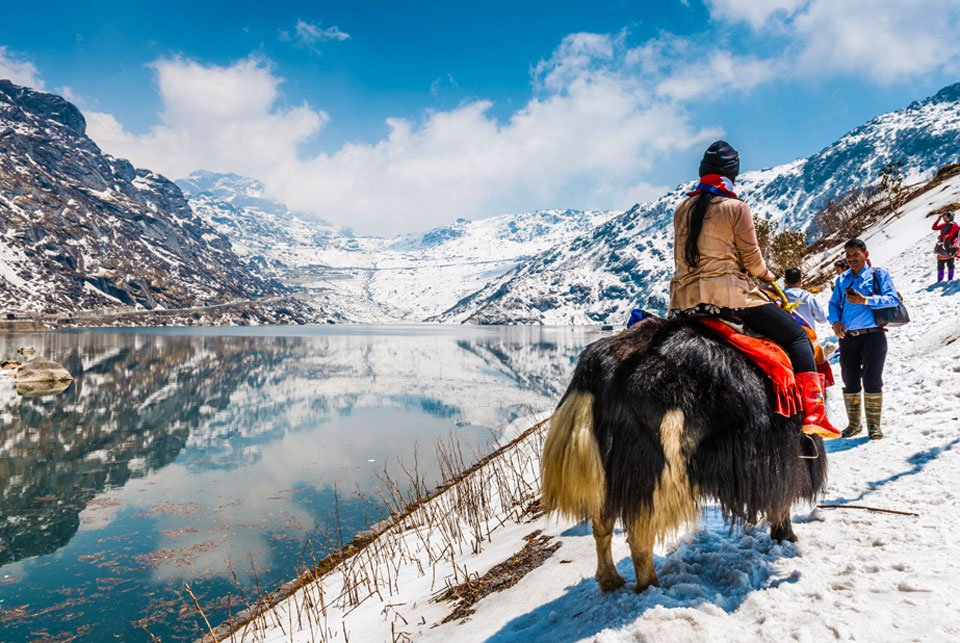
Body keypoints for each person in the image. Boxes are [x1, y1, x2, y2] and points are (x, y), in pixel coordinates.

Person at [669, 140, 840, 438]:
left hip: (685, 301)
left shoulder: (683, 207)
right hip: (730, 298)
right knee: (798, 336)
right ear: (731, 174)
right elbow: (752, 262)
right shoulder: (735, 208)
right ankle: (813, 413)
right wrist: (768, 276)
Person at [828, 238, 901, 440]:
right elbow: (833, 304)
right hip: (848, 337)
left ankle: (874, 426)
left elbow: (892, 298)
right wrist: (835, 322)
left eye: (855, 254)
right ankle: (853, 424)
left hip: (874, 336)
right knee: (849, 380)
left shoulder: (879, 274)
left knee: (872, 379)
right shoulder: (842, 279)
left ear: (865, 254)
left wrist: (866, 300)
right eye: (848, 255)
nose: (851, 259)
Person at [933, 210, 958, 282]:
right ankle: (939, 280)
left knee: (950, 264)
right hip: (941, 246)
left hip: (950, 247)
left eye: (946, 217)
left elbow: (952, 234)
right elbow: (934, 227)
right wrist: (938, 219)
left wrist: (942, 236)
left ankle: (950, 279)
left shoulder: (954, 225)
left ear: (950, 217)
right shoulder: (944, 225)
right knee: (940, 265)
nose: (944, 219)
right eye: (943, 217)